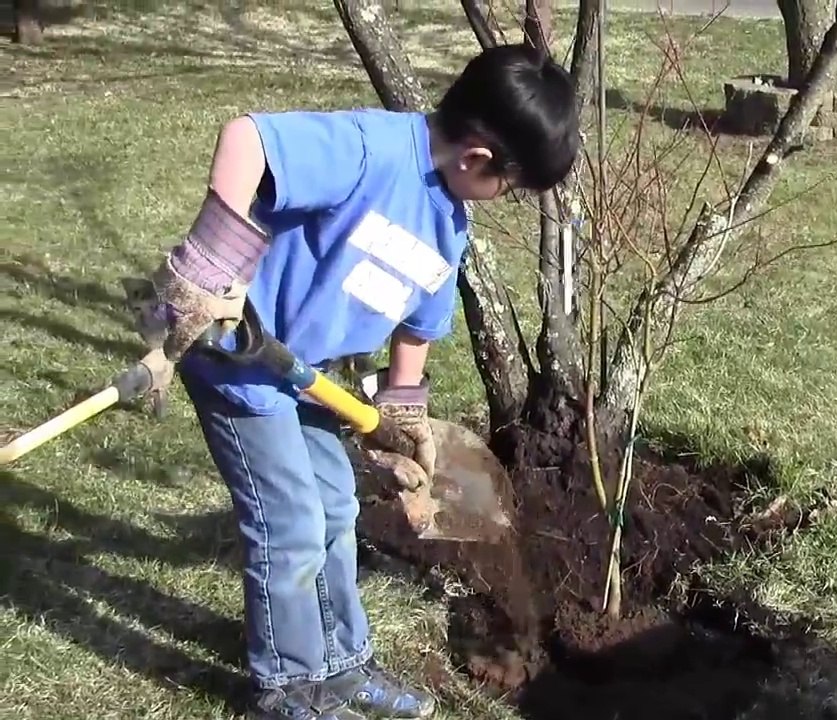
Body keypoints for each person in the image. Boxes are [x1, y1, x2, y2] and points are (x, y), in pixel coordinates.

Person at [128, 44, 579, 720]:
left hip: (306, 380)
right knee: (292, 527)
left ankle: (340, 664)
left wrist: (400, 412)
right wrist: (209, 266)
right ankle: (286, 684)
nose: (502, 198)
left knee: (337, 514)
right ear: (478, 159)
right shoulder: (371, 150)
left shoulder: (449, 224)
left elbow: (418, 325)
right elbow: (247, 139)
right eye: (510, 186)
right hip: (240, 362)